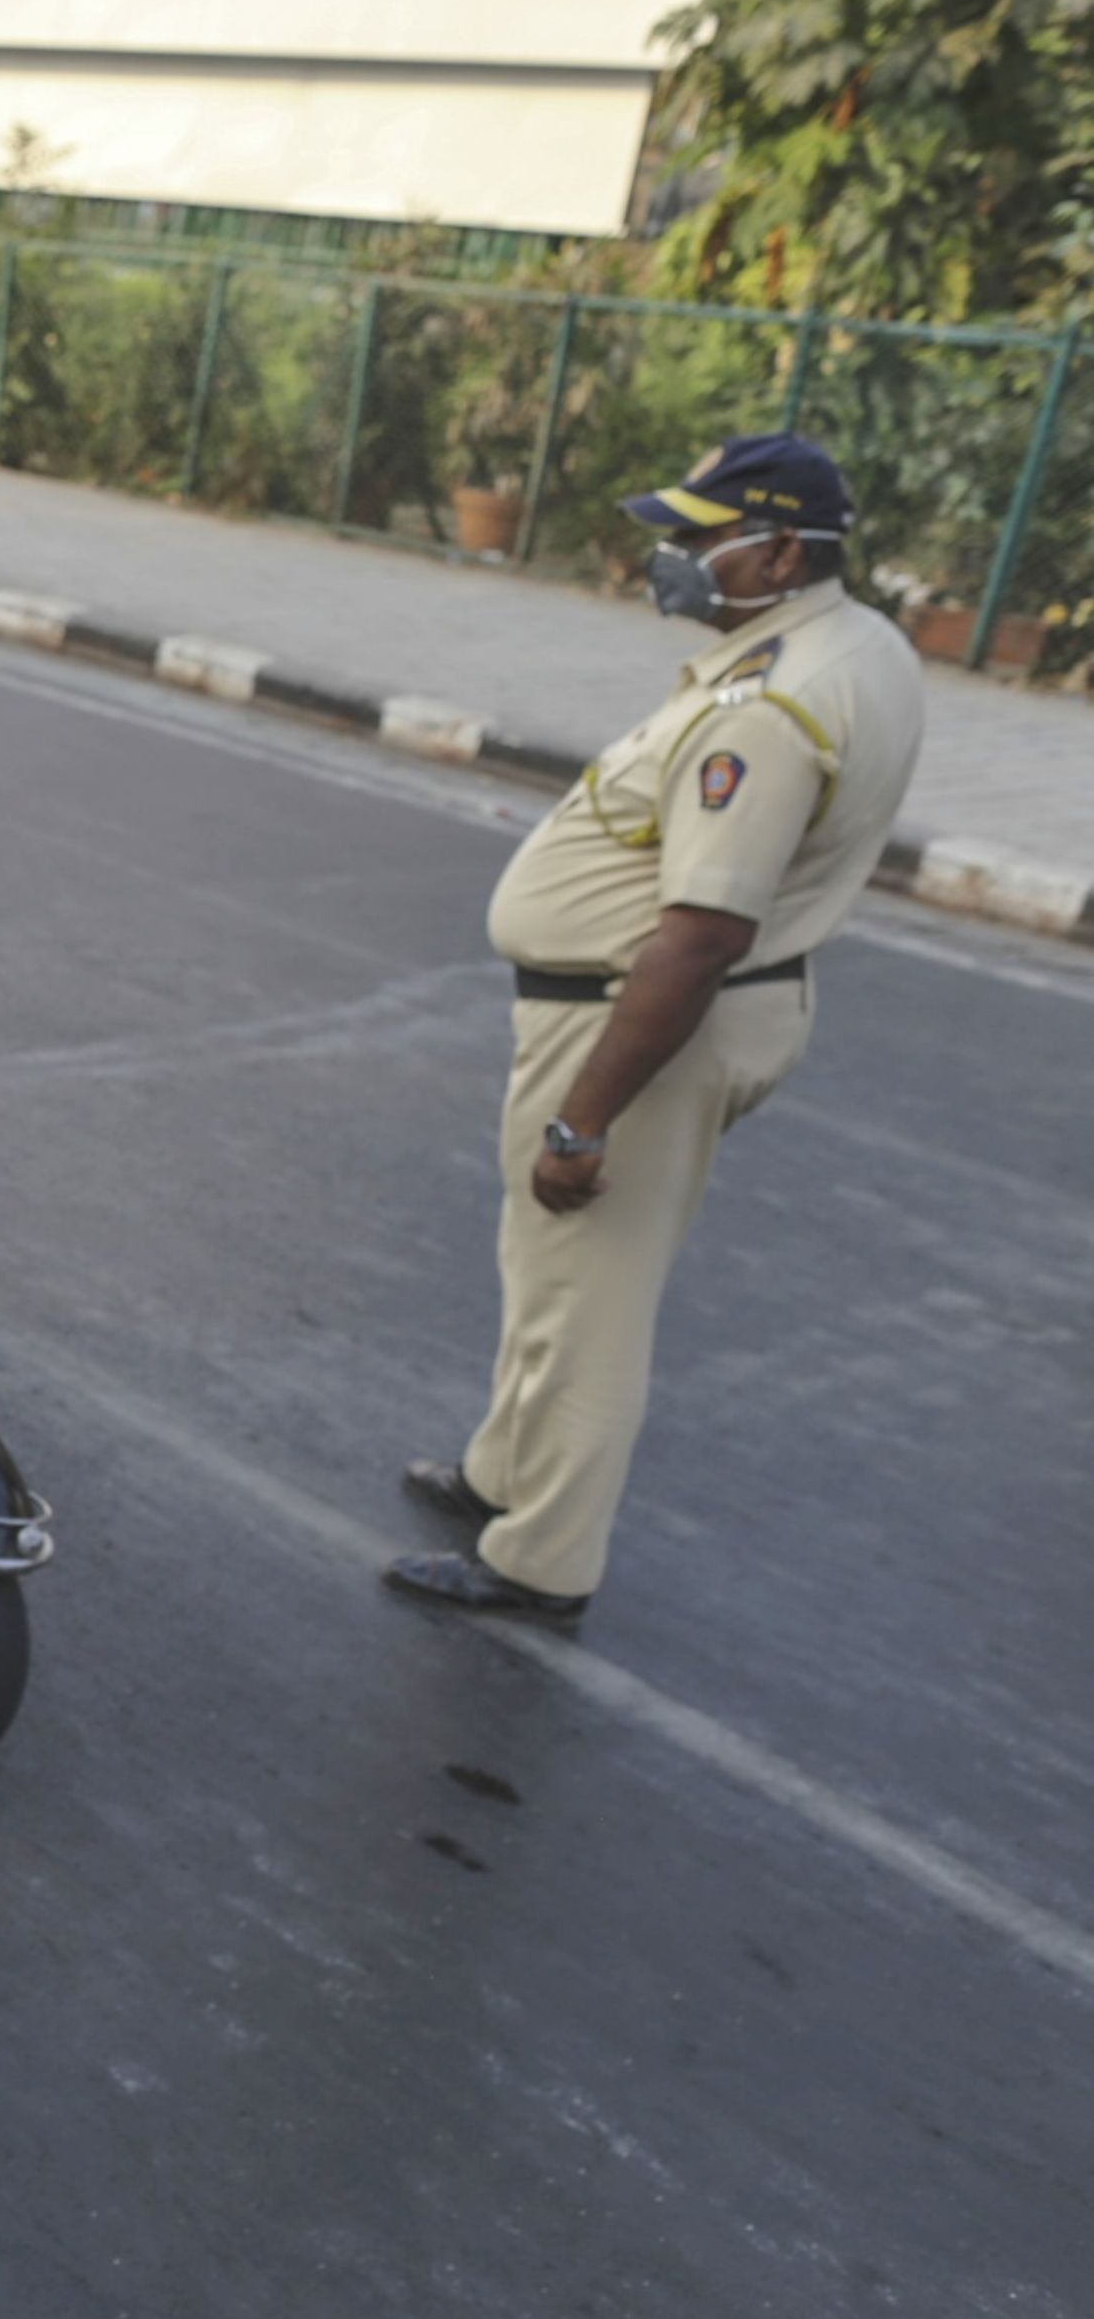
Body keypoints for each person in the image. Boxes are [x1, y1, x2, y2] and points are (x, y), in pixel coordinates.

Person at [390, 432, 924, 1621]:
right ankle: (503, 1472)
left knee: (592, 1299)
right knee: (551, 1271)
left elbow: (701, 937)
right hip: (663, 1010)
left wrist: (583, 1120)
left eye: (701, 538)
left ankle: (542, 1559)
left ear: (781, 552)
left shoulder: (769, 708)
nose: (673, 556)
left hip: (644, 1029)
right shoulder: (851, 644)